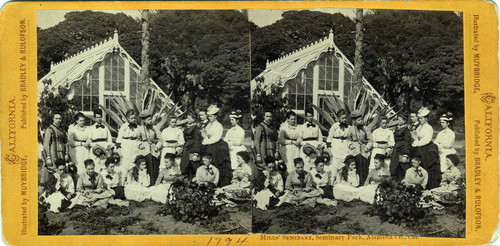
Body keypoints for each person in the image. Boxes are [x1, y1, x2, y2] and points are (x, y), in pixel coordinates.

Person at [201, 105, 232, 186]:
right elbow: (205, 134)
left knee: (214, 163)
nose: (209, 118)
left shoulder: (218, 125)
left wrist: (206, 140)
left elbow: (216, 138)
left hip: (215, 146)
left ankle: (215, 182)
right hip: (208, 144)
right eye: (208, 116)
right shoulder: (209, 125)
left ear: (215, 116)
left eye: (211, 116)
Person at [412, 107, 441, 189]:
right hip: (419, 146)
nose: (420, 120)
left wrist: (416, 143)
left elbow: (426, 140)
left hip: (426, 148)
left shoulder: (428, 128)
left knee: (426, 164)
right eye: (419, 118)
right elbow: (416, 137)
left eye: (421, 118)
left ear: (426, 119)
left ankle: (428, 185)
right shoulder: (419, 127)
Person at [40, 112, 69, 194]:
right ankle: (43, 196)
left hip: (61, 155)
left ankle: (60, 195)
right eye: (56, 118)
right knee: (49, 175)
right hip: (52, 154)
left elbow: (66, 143)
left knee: (60, 174)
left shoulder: (62, 130)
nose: (58, 120)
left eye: (60, 118)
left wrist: (66, 153)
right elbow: (46, 145)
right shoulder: (49, 129)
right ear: (53, 119)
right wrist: (48, 157)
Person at [138, 109, 162, 186]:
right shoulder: (140, 129)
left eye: (150, 119)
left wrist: (157, 147)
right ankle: (147, 184)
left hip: (154, 151)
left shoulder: (155, 128)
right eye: (148, 120)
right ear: (144, 121)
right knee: (147, 168)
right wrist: (140, 145)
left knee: (155, 168)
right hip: (144, 151)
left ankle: (155, 185)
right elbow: (137, 139)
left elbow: (161, 140)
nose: (150, 121)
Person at [116, 109, 141, 175]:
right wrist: (118, 148)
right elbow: (119, 137)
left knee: (134, 159)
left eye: (134, 118)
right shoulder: (124, 126)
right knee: (126, 161)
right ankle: (125, 177)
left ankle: (133, 176)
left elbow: (139, 138)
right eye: (131, 118)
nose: (133, 120)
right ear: (128, 118)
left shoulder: (138, 127)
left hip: (135, 145)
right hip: (126, 144)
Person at [390, 114, 413, 181]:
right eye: (398, 120)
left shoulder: (406, 130)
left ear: (404, 121)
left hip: (403, 150)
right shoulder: (397, 128)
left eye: (399, 120)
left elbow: (407, 142)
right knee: (394, 167)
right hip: (397, 150)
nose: (398, 121)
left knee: (404, 167)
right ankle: (396, 184)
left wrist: (406, 154)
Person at [68, 112, 91, 178]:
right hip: (76, 150)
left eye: (83, 120)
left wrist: (88, 142)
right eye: (80, 121)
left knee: (85, 166)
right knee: (77, 167)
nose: (82, 122)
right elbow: (71, 142)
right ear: (76, 121)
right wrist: (81, 143)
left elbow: (90, 138)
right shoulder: (72, 129)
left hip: (85, 150)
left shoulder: (88, 129)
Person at [180, 111, 202, 176]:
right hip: (186, 149)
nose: (187, 120)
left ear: (194, 119)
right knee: (186, 165)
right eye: (187, 118)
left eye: (189, 119)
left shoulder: (196, 129)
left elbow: (198, 141)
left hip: (193, 149)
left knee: (194, 165)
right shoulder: (187, 127)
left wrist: (196, 152)